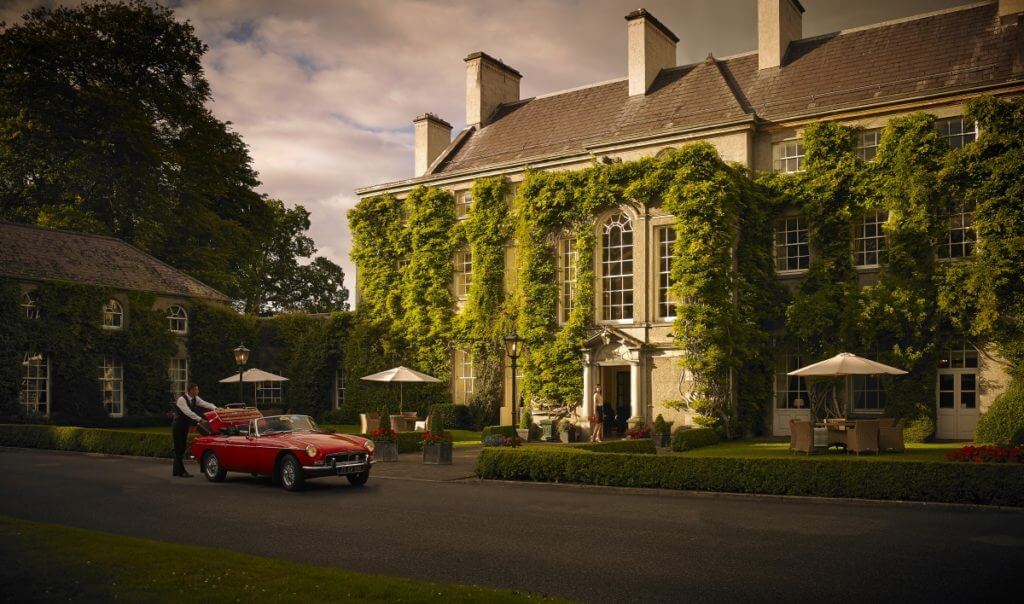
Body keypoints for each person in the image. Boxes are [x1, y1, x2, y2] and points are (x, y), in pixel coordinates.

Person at [172, 383, 217, 477]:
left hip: (184, 425)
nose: (198, 391)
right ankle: (181, 472)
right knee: (179, 448)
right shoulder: (182, 399)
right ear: (191, 390)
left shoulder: (195, 398)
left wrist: (216, 408)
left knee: (181, 447)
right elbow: (188, 412)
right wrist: (200, 419)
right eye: (196, 389)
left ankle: (176, 471)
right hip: (178, 425)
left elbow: (205, 404)